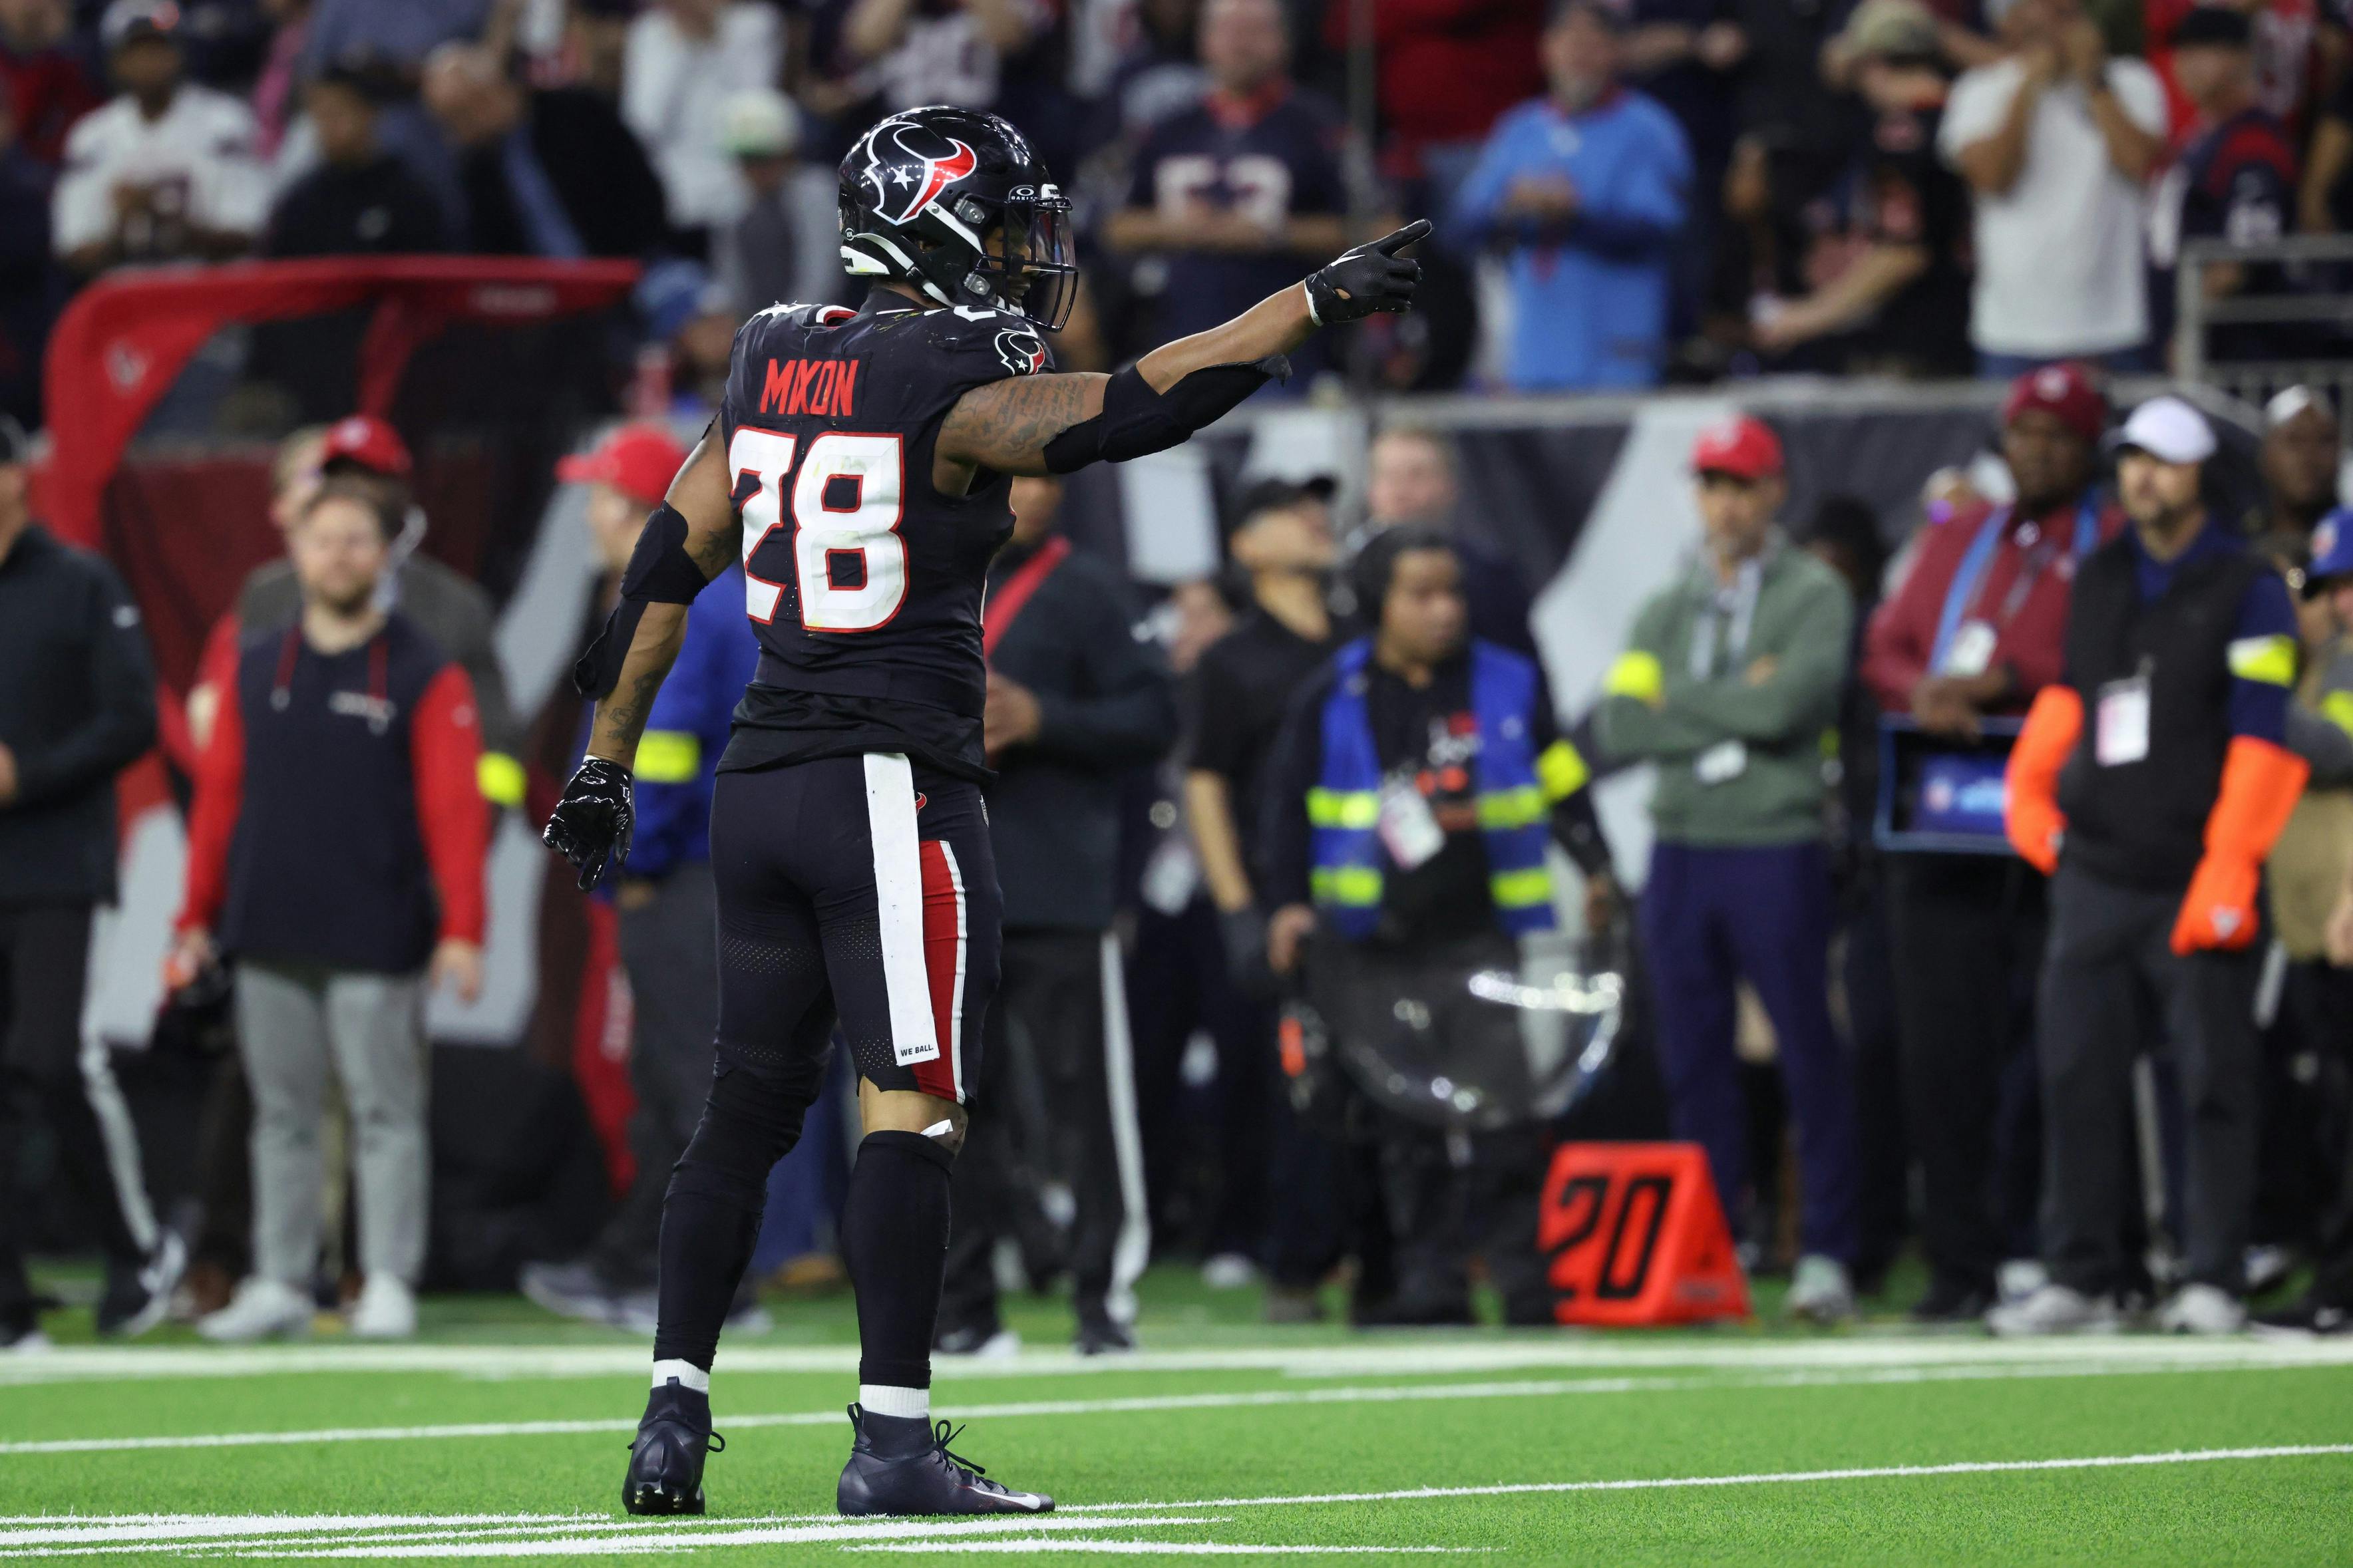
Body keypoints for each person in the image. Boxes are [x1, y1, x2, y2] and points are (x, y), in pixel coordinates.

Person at [537, 104, 1427, 1517]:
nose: (1025, 254)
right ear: (939, 218)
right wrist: (1307, 303)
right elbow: (1139, 400)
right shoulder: (957, 363)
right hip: (887, 779)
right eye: (1006, 222)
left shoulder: (771, 346)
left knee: (744, 1110)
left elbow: (668, 557)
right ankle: (891, 1438)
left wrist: (604, 763)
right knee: (913, 1104)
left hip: (760, 778)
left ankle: (671, 1411)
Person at [1996, 396, 2308, 1336]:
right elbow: (2070, 700)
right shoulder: (2098, 575)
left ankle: (2211, 1270)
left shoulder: (2246, 584)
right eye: (2133, 459)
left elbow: (2265, 742)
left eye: (2165, 462)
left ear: (2198, 474)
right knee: (2076, 1072)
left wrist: (2229, 868)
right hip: (2096, 866)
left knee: (2213, 1075)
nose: (2145, 476)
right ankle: (2085, 1272)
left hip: (2193, 869)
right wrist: (2032, 797)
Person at [1259, 528, 1612, 1325]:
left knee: (1510, 1116)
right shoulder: (1333, 694)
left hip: (1488, 936)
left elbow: (1561, 781)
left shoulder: (1509, 682)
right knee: (1402, 1124)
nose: (1444, 609)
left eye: (1451, 591)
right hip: (1372, 946)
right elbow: (1286, 809)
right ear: (1377, 602)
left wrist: (1595, 866)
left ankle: (1527, 1285)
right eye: (1421, 593)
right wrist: (1284, 902)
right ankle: (1430, 1285)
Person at [172, 480, 490, 1344]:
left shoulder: (424, 669)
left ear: (385, 553)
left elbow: (454, 813)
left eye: (357, 540)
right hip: (268, 925)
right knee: (281, 1112)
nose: (339, 555)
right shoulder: (255, 661)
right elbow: (219, 802)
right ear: (296, 552)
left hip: (376, 931)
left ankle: (386, 1276)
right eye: (324, 540)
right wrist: (193, 913)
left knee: (383, 1110)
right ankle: (277, 1278)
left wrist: (464, 927)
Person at [1859, 362, 2121, 1320]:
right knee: (1941, 1052)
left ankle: (2058, 1251)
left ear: (2091, 449)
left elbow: (2111, 654)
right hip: (1944, 827)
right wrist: (1924, 690)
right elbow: (1887, 642)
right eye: (2023, 433)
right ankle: (1960, 1261)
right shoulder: (1961, 536)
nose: (2036, 451)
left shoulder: (2114, 542)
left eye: (2057, 435)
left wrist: (2003, 677)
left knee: (2065, 1048)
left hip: (2064, 827)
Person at [1592, 414, 1861, 1323]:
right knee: (1692, 1058)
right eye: (1711, 484)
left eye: (1741, 484)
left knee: (1806, 1050)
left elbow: (1792, 707)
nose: (1725, 502)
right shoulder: (1664, 604)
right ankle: (1715, 1248)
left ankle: (1826, 1248)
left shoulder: (1814, 591)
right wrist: (1739, 699)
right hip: (1681, 847)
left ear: (1774, 491)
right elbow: (1623, 727)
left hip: (1773, 843)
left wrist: (1690, 700)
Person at [520, 424, 767, 1331]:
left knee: (686, 1075)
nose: (590, 515)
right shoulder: (707, 594)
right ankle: (652, 1265)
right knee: (681, 1077)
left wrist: (636, 860)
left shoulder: (682, 601)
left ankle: (711, 1283)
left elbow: (661, 753)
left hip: (685, 874)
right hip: (711, 867)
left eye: (599, 496)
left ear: (636, 508)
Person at [938, 473, 1175, 1356]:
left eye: (1038, 474)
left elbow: (1157, 714)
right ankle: (964, 1304)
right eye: (1002, 472)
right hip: (945, 885)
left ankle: (1100, 1302)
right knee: (951, 1103)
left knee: (1087, 1107)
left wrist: (1046, 718)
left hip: (1058, 890)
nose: (1020, 491)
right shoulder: (922, 579)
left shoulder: (1093, 591)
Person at [0, 413, 180, 1351]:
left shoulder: (77, 582)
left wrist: (25, 773)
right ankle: (9, 1304)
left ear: (16, 478)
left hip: (56, 868)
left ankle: (133, 1249)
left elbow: (130, 719)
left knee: (48, 1059)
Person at [1181, 480, 1354, 1321]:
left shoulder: (1366, 641)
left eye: (1318, 507)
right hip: (1280, 903)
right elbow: (1205, 783)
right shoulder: (1232, 659)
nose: (1313, 518)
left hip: (1373, 902)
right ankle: (1289, 1258)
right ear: (1245, 547)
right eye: (1289, 508)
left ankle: (1375, 1257)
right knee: (1289, 1092)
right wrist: (1237, 905)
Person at [1450, 0, 1692, 391]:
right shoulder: (1521, 128)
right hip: (1532, 352)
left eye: (1593, 41)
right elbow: (1462, 229)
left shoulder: (1649, 129)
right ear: (1546, 49)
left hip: (1617, 350)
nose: (1578, 54)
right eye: (1567, 40)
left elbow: (1657, 231)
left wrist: (1572, 213)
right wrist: (1512, 207)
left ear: (1617, 50)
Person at [1101, 0, 1350, 379]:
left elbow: (1383, 228)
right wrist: (1180, 229)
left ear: (1284, 39)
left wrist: (1276, 234)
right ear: (1204, 39)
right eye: (1229, 29)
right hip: (1178, 344)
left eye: (1255, 30)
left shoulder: (1320, 128)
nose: (1241, 44)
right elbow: (1114, 226)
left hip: (1293, 354)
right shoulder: (1167, 129)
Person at [1937, 0, 2165, 375]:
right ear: (2011, 26)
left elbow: (2139, 163)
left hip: (2113, 327)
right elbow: (1993, 179)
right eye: (2047, 17)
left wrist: (2093, 79)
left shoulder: (2131, 80)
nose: (2060, 33)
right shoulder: (1979, 90)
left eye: (2070, 16)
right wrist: (2028, 88)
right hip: (2012, 332)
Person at [1749, 0, 1972, 377]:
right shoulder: (1972, 112)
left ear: (1873, 64)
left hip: (1919, 336)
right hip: (1971, 322)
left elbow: (1902, 254)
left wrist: (1807, 316)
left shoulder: (1900, 135)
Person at [2255, 513, 2353, 1336]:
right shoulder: (2320, 663)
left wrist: (2245, 701)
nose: (2340, 602)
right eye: (2328, 587)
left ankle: (2342, 1285)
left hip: (2343, 917)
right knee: (2328, 1112)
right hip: (2314, 925)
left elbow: (2338, 749)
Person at [51, 0, 268, 279]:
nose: (148, 62)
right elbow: (75, 250)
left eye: (158, 49)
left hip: (210, 296)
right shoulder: (92, 136)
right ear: (117, 62)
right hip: (127, 305)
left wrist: (168, 219)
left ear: (179, 54)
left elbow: (250, 232)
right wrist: (123, 225)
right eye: (136, 52)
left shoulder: (225, 122)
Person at [420, 41, 666, 259]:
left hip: (631, 271)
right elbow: (491, 256)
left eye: (455, 120)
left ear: (486, 98)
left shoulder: (579, 114)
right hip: (545, 300)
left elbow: (643, 195)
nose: (452, 137)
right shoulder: (478, 169)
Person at [2148, 6, 2296, 364]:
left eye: (2203, 49)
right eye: (2182, 51)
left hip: (2242, 355)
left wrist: (2188, 330)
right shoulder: (2199, 138)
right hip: (2198, 348)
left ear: (2241, 59)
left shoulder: (2252, 141)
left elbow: (2241, 256)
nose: (2185, 62)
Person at [621, 0, 782, 253]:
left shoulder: (755, 24)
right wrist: (684, 46)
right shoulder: (649, 32)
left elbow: (754, 114)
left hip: (737, 194)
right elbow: (644, 125)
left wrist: (715, 39)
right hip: (671, 192)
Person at [1359, 426, 1536, 657]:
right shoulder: (1341, 580)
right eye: (1388, 475)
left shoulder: (1489, 577)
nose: (1400, 490)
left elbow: (1521, 669)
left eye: (1417, 475)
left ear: (1449, 486)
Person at [260, 57, 445, 258]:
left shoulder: (411, 196)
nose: (328, 125)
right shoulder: (301, 202)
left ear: (369, 113)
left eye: (337, 112)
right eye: (320, 115)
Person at [2247, 385, 2339, 559]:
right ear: (2265, 454)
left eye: (2325, 441)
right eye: (2294, 441)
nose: (2309, 458)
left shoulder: (2347, 542)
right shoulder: (2238, 543)